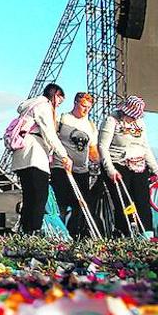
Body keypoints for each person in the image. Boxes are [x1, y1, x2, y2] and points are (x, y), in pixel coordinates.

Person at [98, 95, 158, 237]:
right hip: (118, 164)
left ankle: (147, 234)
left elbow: (145, 147)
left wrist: (156, 169)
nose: (132, 119)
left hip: (139, 166)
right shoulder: (111, 121)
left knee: (143, 202)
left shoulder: (140, 124)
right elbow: (103, 147)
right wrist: (110, 170)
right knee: (123, 203)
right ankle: (124, 232)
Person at [10, 83, 66, 234]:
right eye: (59, 101)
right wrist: (64, 155)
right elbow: (49, 133)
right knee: (40, 195)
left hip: (21, 155)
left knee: (29, 196)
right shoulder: (43, 106)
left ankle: (26, 230)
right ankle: (33, 230)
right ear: (55, 95)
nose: (58, 105)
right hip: (34, 154)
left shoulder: (30, 106)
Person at [55, 92, 101, 237]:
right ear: (75, 103)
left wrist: (102, 162)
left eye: (89, 107)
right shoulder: (63, 118)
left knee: (80, 204)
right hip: (61, 167)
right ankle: (59, 234)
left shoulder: (90, 125)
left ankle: (75, 233)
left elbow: (93, 149)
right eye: (83, 106)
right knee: (61, 204)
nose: (86, 110)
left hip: (81, 170)